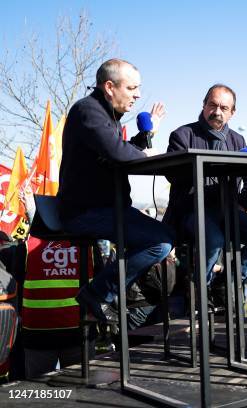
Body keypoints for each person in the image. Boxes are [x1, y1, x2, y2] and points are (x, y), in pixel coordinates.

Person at [57, 58, 174, 323]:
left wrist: (145, 137)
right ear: (110, 87)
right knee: (159, 242)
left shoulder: (104, 115)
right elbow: (118, 153)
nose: (138, 95)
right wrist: (145, 153)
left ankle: (119, 293)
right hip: (86, 212)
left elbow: (117, 149)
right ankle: (99, 293)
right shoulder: (88, 111)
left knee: (165, 235)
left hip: (110, 208)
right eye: (132, 88)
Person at [163, 84, 247, 285]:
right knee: (214, 241)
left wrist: (244, 203)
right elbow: (173, 175)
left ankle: (228, 281)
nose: (217, 112)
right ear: (204, 105)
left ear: (232, 113)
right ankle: (201, 288)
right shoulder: (182, 135)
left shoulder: (238, 140)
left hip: (229, 211)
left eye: (224, 108)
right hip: (191, 212)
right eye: (212, 105)